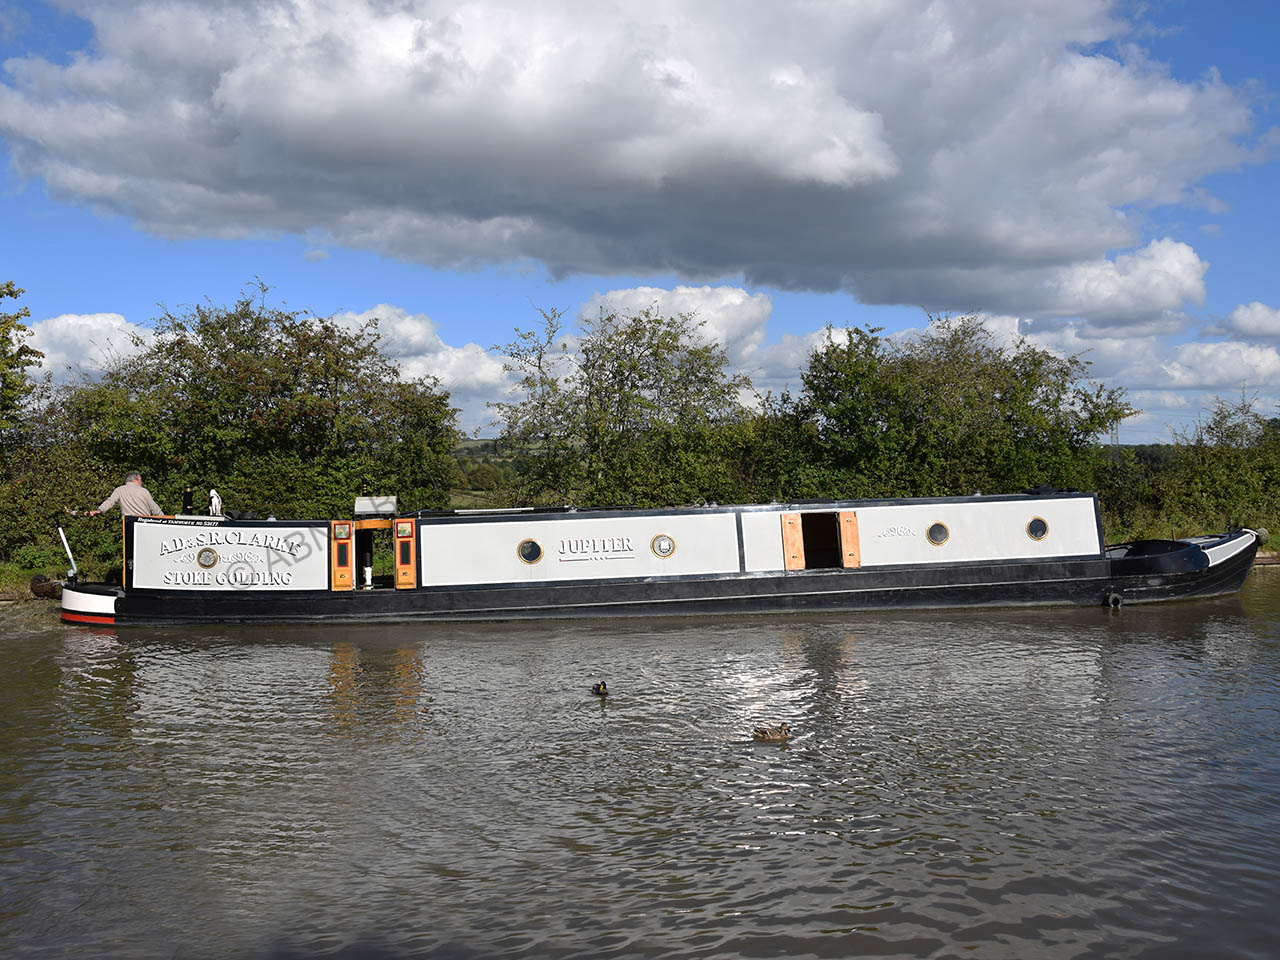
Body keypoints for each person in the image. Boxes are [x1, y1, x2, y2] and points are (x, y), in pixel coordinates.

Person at [90, 471, 164, 517]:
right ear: (134, 480)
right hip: (144, 524)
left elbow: (110, 501)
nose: (142, 482)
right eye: (140, 480)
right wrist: (165, 519)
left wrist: (100, 510)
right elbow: (154, 508)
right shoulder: (144, 491)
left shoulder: (119, 490)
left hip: (128, 525)